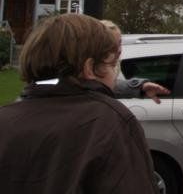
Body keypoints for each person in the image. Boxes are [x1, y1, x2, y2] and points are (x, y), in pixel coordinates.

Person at [0, 13, 156, 193]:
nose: (115, 76)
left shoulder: (5, 119)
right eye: (112, 64)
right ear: (89, 68)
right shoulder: (110, 122)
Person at [100, 18, 171, 102]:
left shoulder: (115, 64)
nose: (119, 50)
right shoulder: (88, 72)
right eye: (112, 45)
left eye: (120, 43)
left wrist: (140, 87)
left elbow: (113, 86)